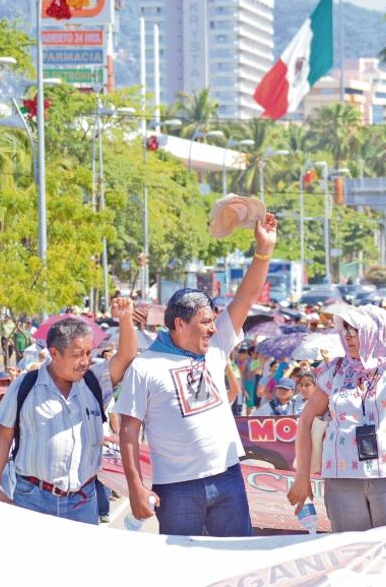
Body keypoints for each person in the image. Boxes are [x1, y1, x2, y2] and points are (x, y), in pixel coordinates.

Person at [117, 214, 279, 537]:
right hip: (176, 490)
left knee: (236, 564)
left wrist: (264, 250)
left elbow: (246, 297)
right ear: (179, 324)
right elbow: (128, 432)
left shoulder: (217, 345)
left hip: (227, 477)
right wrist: (135, 487)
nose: (213, 327)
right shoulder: (145, 366)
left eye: (213, 320)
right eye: (205, 321)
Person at [288, 276, 386, 532]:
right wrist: (302, 477)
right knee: (353, 560)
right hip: (342, 479)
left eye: (354, 329)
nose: (347, 336)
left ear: (374, 330)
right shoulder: (335, 370)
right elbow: (306, 421)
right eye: (344, 329)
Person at [0, 297, 136, 524]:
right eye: (77, 355)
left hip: (82, 503)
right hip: (31, 500)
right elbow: (3, 437)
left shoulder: (95, 381)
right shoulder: (26, 385)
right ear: (54, 354)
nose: (85, 361)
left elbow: (125, 357)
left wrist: (125, 319)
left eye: (88, 353)